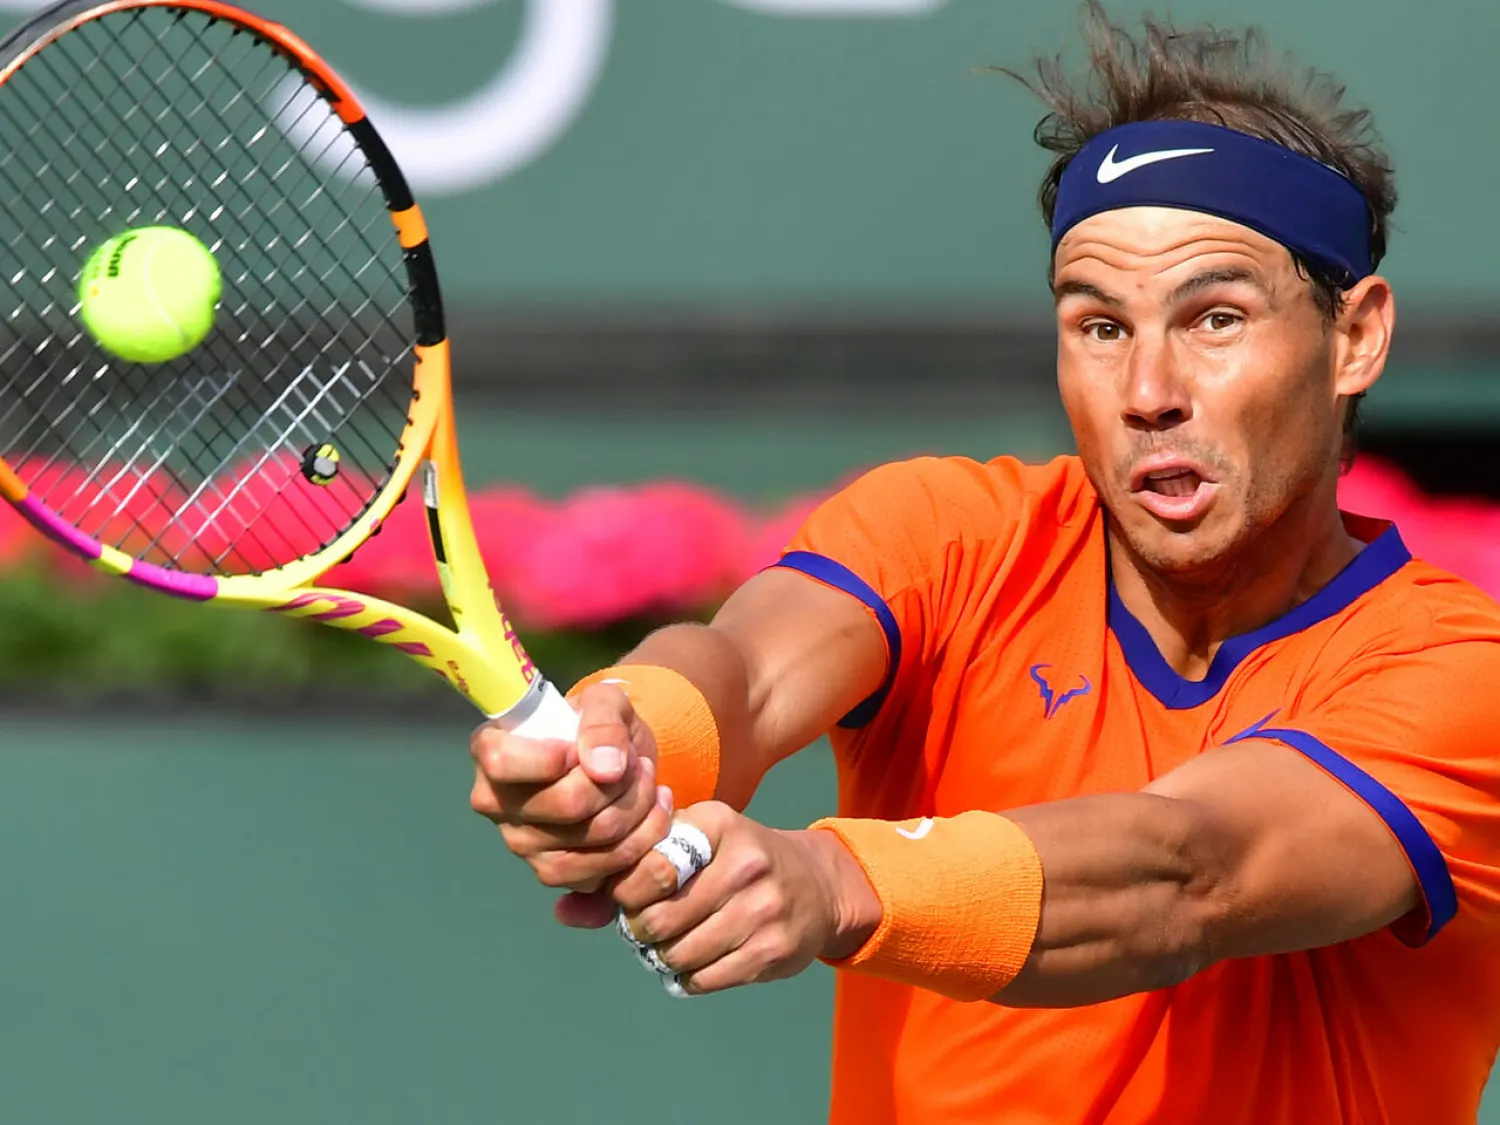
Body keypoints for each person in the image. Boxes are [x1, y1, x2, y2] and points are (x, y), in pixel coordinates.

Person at [468, 4, 1500, 1122]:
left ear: (1355, 338)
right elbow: (747, 674)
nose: (1148, 390)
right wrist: (629, 743)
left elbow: (1189, 872)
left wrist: (834, 881)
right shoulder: (951, 533)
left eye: (1213, 319)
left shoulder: (1459, 678)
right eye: (1100, 327)